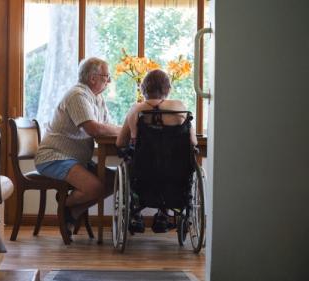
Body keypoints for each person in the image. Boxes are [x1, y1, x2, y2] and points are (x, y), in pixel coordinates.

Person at [35, 57, 121, 236]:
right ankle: (65, 206)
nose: (109, 81)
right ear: (93, 78)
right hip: (55, 157)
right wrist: (124, 130)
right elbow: (94, 129)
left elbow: (108, 127)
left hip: (76, 159)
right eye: (107, 76)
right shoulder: (78, 95)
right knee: (95, 187)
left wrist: (122, 130)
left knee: (116, 181)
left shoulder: (97, 97)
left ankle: (71, 212)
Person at [116, 69, 197, 233]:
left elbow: (120, 142)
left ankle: (136, 213)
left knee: (134, 162)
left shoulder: (135, 110)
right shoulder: (179, 108)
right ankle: (163, 215)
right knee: (168, 162)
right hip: (176, 172)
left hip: (144, 171)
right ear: (168, 89)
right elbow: (193, 142)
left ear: (143, 89)